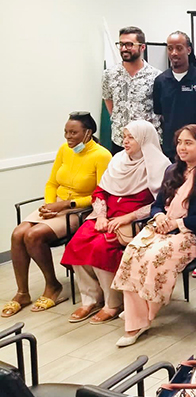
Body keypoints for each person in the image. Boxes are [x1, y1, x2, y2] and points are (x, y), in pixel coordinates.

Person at [111, 125, 196, 346]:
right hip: (164, 227)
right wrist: (159, 218)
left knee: (155, 256)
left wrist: (177, 222)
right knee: (133, 252)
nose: (182, 148)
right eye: (179, 142)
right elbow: (156, 206)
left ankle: (139, 321)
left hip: (194, 234)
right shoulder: (172, 170)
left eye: (188, 143)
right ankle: (137, 309)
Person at [3, 113, 111, 317]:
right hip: (56, 205)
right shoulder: (64, 150)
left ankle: (53, 286)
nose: (68, 137)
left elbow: (100, 194)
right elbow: (52, 183)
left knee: (33, 235)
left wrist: (66, 204)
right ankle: (22, 292)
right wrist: (50, 204)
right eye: (66, 132)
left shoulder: (102, 155)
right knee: (18, 233)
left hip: (79, 209)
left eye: (73, 133)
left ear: (88, 133)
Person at [61, 121, 170, 324]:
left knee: (101, 246)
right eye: (124, 136)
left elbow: (161, 203)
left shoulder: (159, 165)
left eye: (131, 137)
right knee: (78, 241)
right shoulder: (118, 160)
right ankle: (91, 298)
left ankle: (113, 303)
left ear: (144, 139)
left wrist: (127, 217)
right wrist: (101, 216)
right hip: (106, 217)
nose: (125, 141)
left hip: (134, 221)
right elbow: (101, 191)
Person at [153, 31, 196, 160]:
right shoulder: (160, 81)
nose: (174, 53)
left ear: (188, 50)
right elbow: (160, 115)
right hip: (170, 149)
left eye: (179, 48)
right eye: (170, 48)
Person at [102, 26, 162, 154]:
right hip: (120, 140)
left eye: (129, 45)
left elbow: (161, 110)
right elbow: (108, 100)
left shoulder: (156, 76)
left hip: (147, 143)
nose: (124, 49)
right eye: (121, 44)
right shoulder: (109, 74)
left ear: (142, 47)